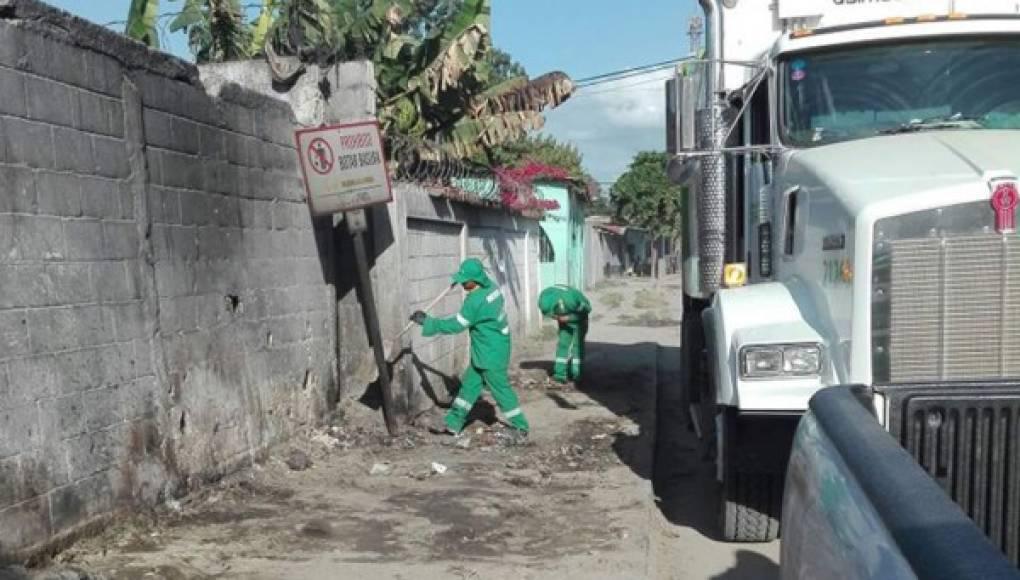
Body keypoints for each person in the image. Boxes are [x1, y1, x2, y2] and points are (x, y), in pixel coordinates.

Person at [410, 258, 530, 440]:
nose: (462, 283)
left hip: (491, 353)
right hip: (489, 347)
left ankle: (521, 427)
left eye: (465, 281)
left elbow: (456, 325)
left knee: (500, 389)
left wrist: (428, 321)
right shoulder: (492, 288)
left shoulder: (475, 301)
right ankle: (453, 423)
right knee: (469, 386)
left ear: (476, 280)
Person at [537, 285, 592, 384]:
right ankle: (560, 374)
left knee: (577, 347)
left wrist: (569, 318)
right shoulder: (545, 296)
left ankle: (576, 374)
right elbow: (550, 313)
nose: (552, 316)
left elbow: (587, 309)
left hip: (579, 320)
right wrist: (559, 317)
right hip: (564, 319)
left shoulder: (570, 300)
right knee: (563, 344)